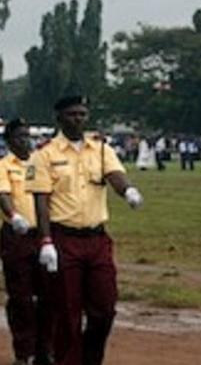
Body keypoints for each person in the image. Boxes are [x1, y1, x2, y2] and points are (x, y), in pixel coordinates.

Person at [26, 96, 144, 365]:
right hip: (63, 238)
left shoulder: (100, 149)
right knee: (67, 312)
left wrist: (128, 190)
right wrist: (45, 240)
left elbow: (114, 174)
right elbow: (41, 202)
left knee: (104, 309)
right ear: (59, 118)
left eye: (82, 113)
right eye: (71, 114)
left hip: (97, 239)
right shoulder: (44, 154)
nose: (78, 119)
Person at [0, 119, 53, 365]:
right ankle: (23, 351)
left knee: (49, 295)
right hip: (17, 236)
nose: (25, 141)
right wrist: (13, 216)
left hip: (43, 235)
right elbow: (3, 195)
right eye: (19, 136)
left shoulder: (41, 164)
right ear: (8, 141)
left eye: (27, 136)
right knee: (21, 297)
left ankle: (45, 349)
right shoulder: (2, 167)